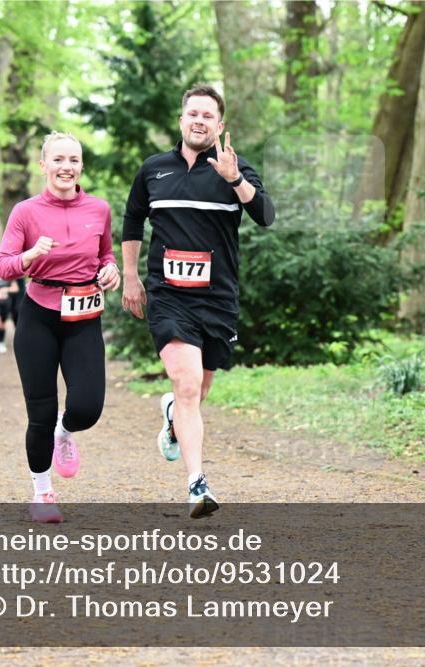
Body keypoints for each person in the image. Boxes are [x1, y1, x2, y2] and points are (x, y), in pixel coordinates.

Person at [121, 84, 276, 518]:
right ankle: (197, 484)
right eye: (193, 113)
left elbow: (266, 216)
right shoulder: (154, 170)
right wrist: (131, 278)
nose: (199, 120)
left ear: (219, 125)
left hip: (218, 300)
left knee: (198, 389)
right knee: (187, 384)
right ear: (181, 119)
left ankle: (172, 417)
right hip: (169, 297)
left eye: (208, 115)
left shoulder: (235, 169)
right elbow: (133, 220)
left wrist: (236, 181)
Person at [0, 131, 121, 523]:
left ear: (81, 166)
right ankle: (42, 492)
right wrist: (30, 256)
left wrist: (111, 270)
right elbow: (4, 266)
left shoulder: (99, 209)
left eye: (73, 160)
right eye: (58, 160)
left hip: (83, 316)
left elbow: (105, 253)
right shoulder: (25, 211)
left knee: (87, 407)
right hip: (39, 315)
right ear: (44, 165)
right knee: (40, 411)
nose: (66, 167)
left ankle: (64, 434)